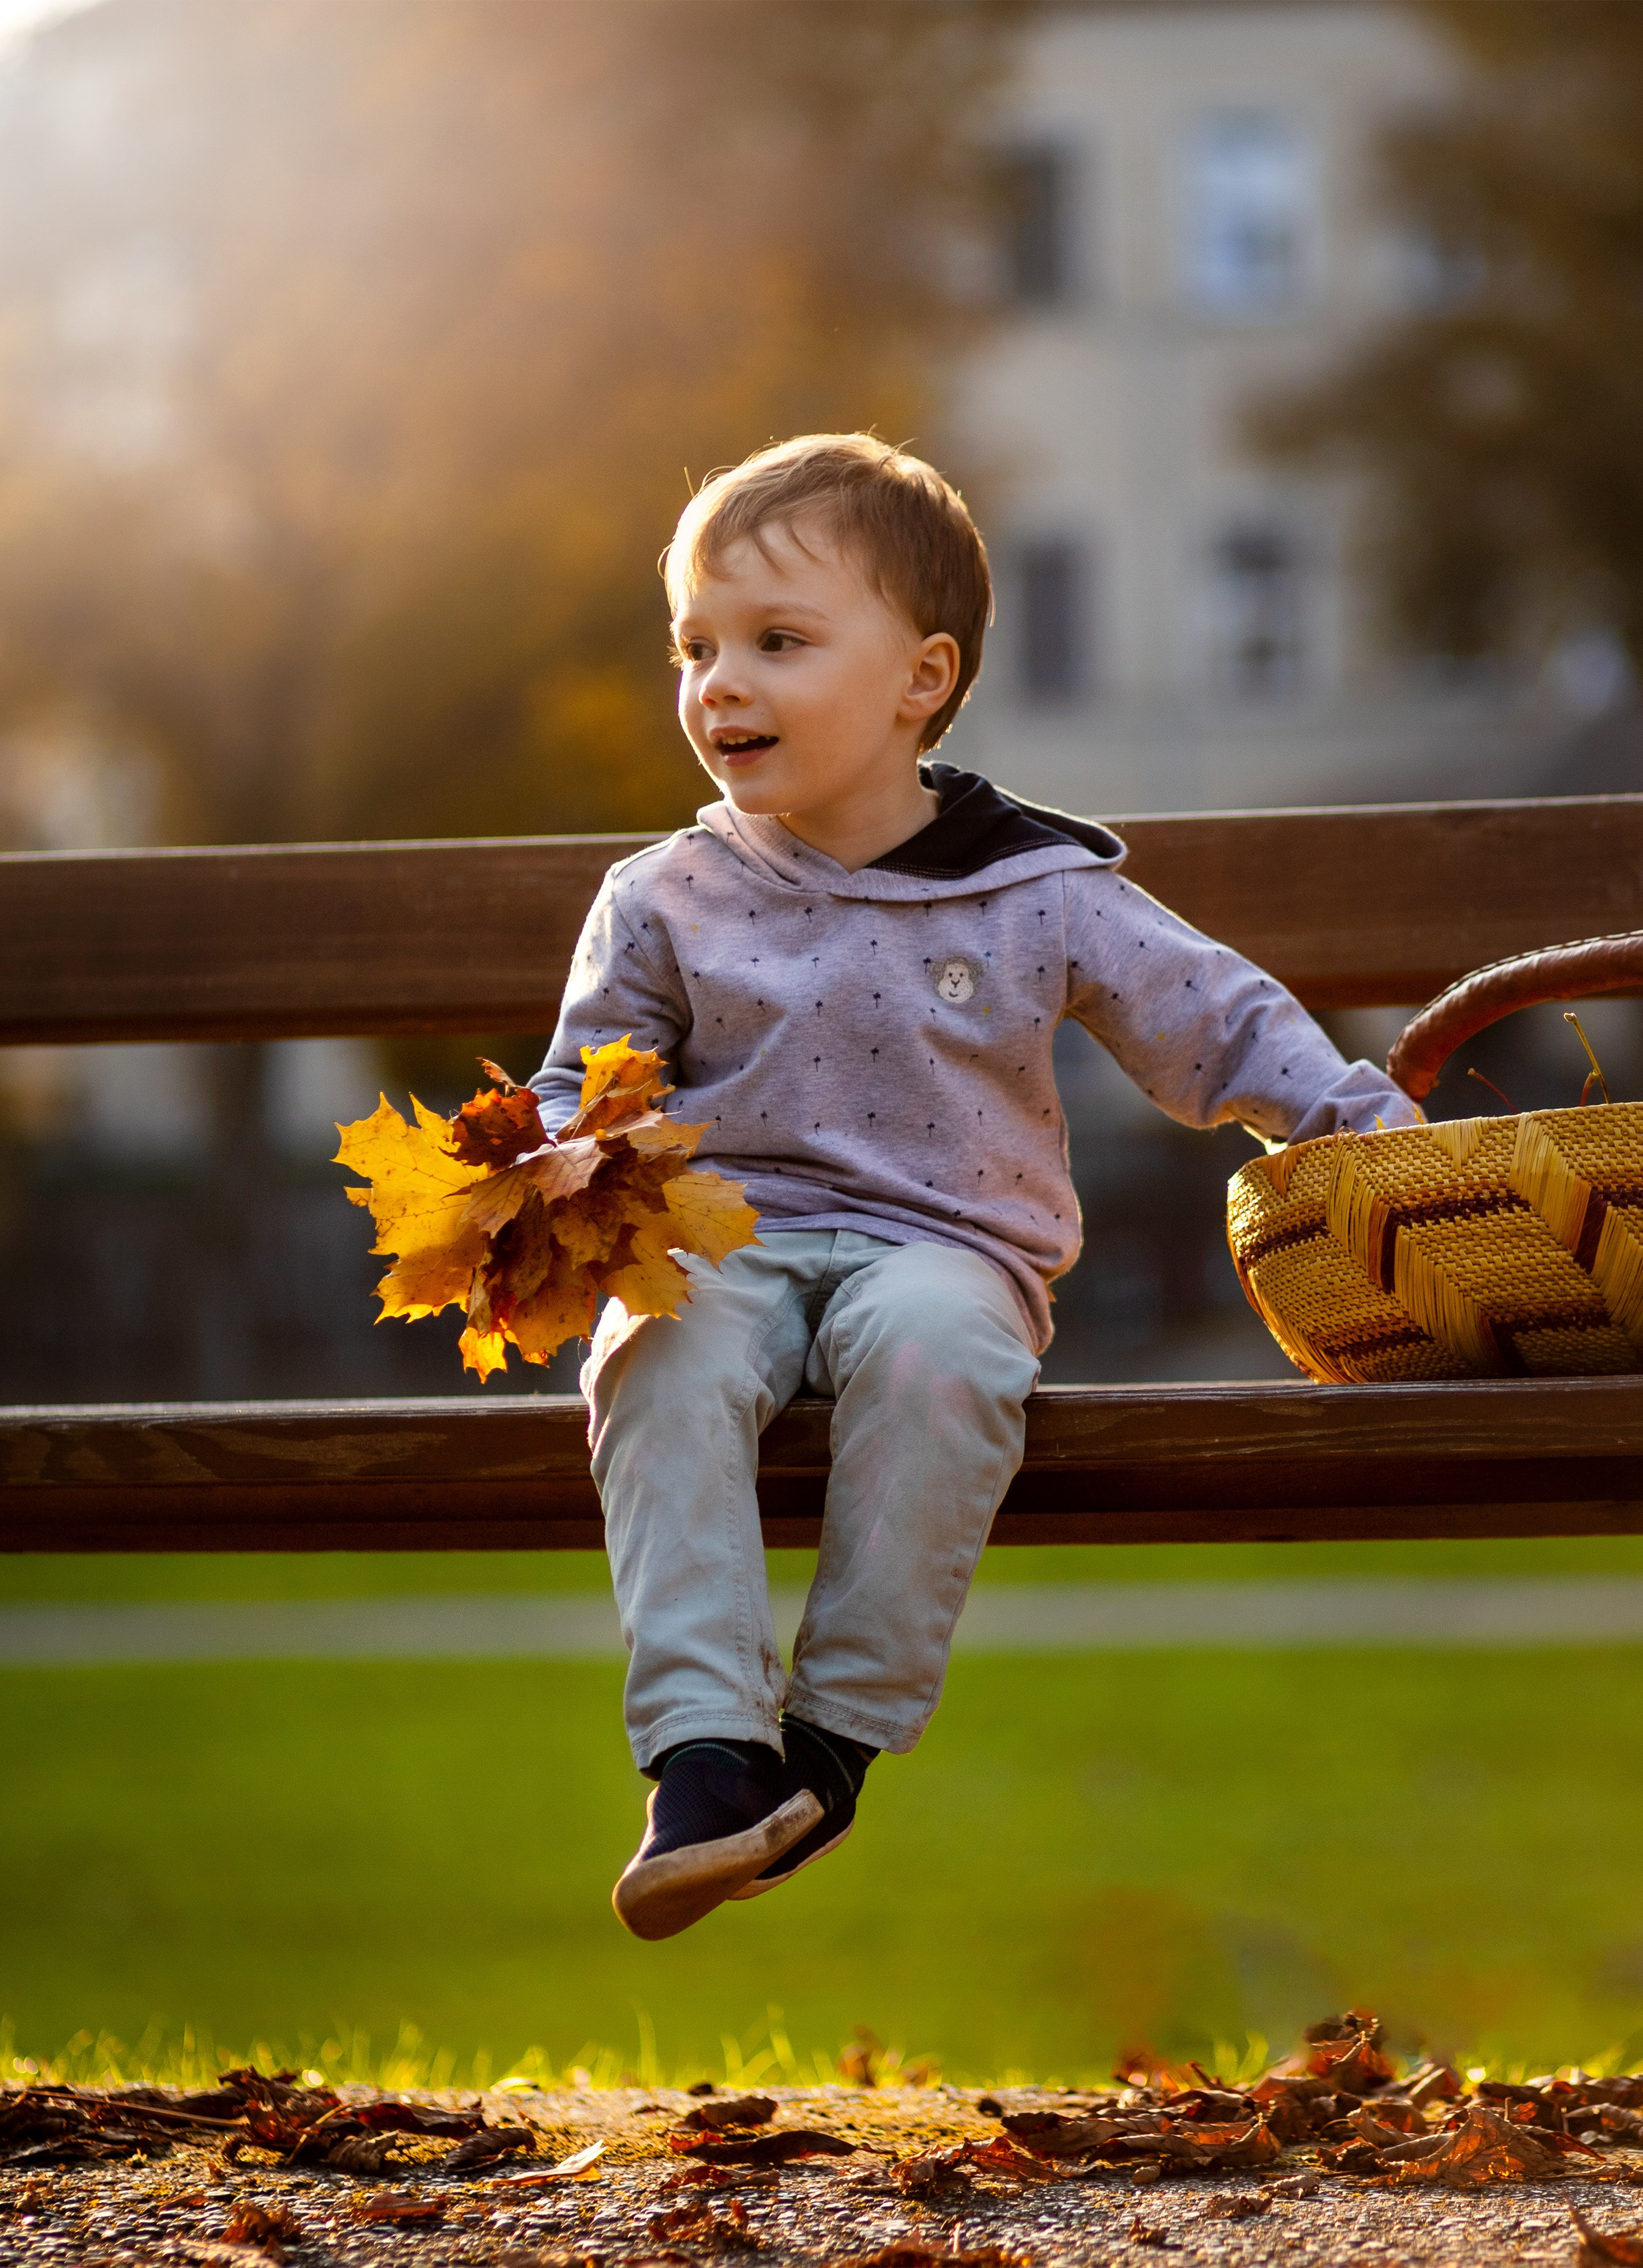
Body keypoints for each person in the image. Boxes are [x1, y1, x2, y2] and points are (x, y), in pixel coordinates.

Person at [528, 433, 1418, 1941]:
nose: (717, 683)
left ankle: (829, 1743)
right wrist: (553, 1165)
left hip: (943, 1243)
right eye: (694, 646)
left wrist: (1354, 1124)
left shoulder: (1032, 885)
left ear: (920, 678)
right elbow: (585, 1080)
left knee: (939, 1361)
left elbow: (1215, 1017)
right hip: (723, 1242)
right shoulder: (665, 893)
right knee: (654, 1354)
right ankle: (703, 1753)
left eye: (776, 641)